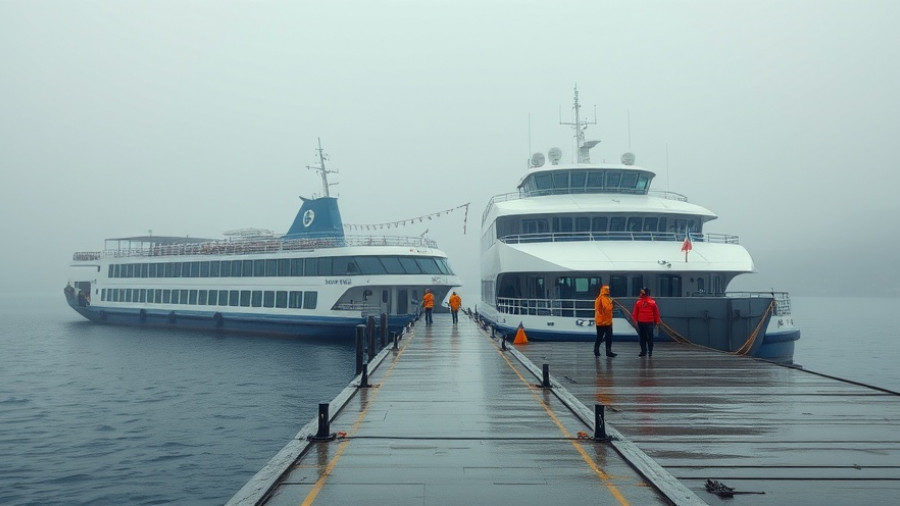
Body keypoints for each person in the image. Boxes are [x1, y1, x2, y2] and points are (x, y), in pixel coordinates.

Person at [632, 287, 660, 357]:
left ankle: (643, 351)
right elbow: (656, 313)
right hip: (649, 322)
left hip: (641, 322)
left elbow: (635, 313)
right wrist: (657, 321)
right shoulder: (653, 302)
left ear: (643, 293)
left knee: (642, 337)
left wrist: (634, 321)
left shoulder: (638, 302)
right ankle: (650, 351)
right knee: (650, 337)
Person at [594, 285, 617, 357]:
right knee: (608, 337)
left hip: (600, 321)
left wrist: (611, 303)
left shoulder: (599, 298)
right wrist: (612, 304)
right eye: (608, 290)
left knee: (600, 337)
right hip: (605, 322)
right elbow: (607, 308)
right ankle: (608, 352)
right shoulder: (604, 299)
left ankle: (596, 350)